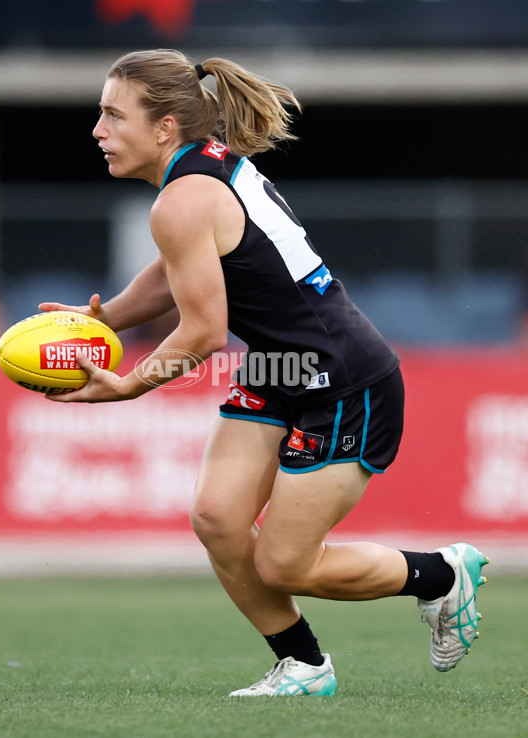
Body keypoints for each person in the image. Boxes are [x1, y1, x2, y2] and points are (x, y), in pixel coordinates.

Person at [39, 49, 489, 697]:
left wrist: (128, 385)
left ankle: (441, 575)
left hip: (342, 381)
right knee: (219, 519)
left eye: (112, 114)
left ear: (164, 128)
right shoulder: (199, 174)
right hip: (286, 369)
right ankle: (304, 667)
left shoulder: (183, 199)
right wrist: (105, 319)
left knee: (284, 564)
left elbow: (201, 333)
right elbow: (174, 272)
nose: (97, 130)